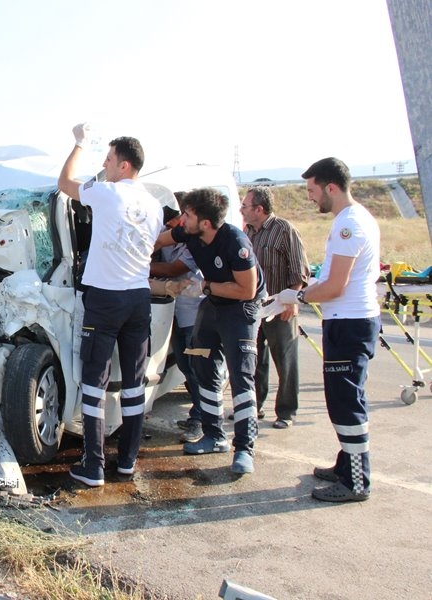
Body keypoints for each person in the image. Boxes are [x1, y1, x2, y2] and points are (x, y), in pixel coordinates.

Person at [57, 124, 163, 487]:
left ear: (125, 166)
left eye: (108, 159)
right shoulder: (153, 205)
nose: (104, 164)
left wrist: (79, 143)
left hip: (105, 299)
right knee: (134, 384)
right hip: (138, 299)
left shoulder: (105, 193)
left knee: (94, 383)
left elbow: (65, 182)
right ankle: (128, 461)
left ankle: (93, 465)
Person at [273, 157, 380, 503]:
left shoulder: (350, 225)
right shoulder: (351, 220)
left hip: (350, 323)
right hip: (346, 321)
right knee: (342, 398)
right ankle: (346, 465)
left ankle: (357, 482)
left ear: (331, 188)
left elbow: (335, 286)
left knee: (347, 402)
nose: (309, 197)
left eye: (312, 190)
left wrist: (299, 295)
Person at [154, 187, 265, 475]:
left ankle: (244, 448)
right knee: (201, 364)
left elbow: (246, 289)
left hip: (241, 309)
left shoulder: (235, 242)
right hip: (212, 305)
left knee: (241, 377)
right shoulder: (188, 232)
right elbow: (158, 241)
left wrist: (204, 286)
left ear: (204, 222)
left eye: (188, 215)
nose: (182, 219)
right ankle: (214, 436)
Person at [241, 186, 310, 429]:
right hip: (254, 305)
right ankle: (254, 406)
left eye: (245, 206)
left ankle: (286, 411)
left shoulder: (283, 229)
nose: (241, 210)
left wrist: (292, 301)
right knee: (254, 358)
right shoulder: (247, 231)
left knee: (285, 359)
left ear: (259, 209)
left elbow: (298, 267)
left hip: (280, 304)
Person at [150, 197, 205, 444]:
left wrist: (143, 266)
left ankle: (202, 420)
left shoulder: (194, 240)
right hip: (175, 312)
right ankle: (198, 413)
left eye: (178, 218)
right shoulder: (168, 233)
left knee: (198, 367)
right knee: (184, 365)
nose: (174, 223)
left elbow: (174, 269)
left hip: (194, 315)